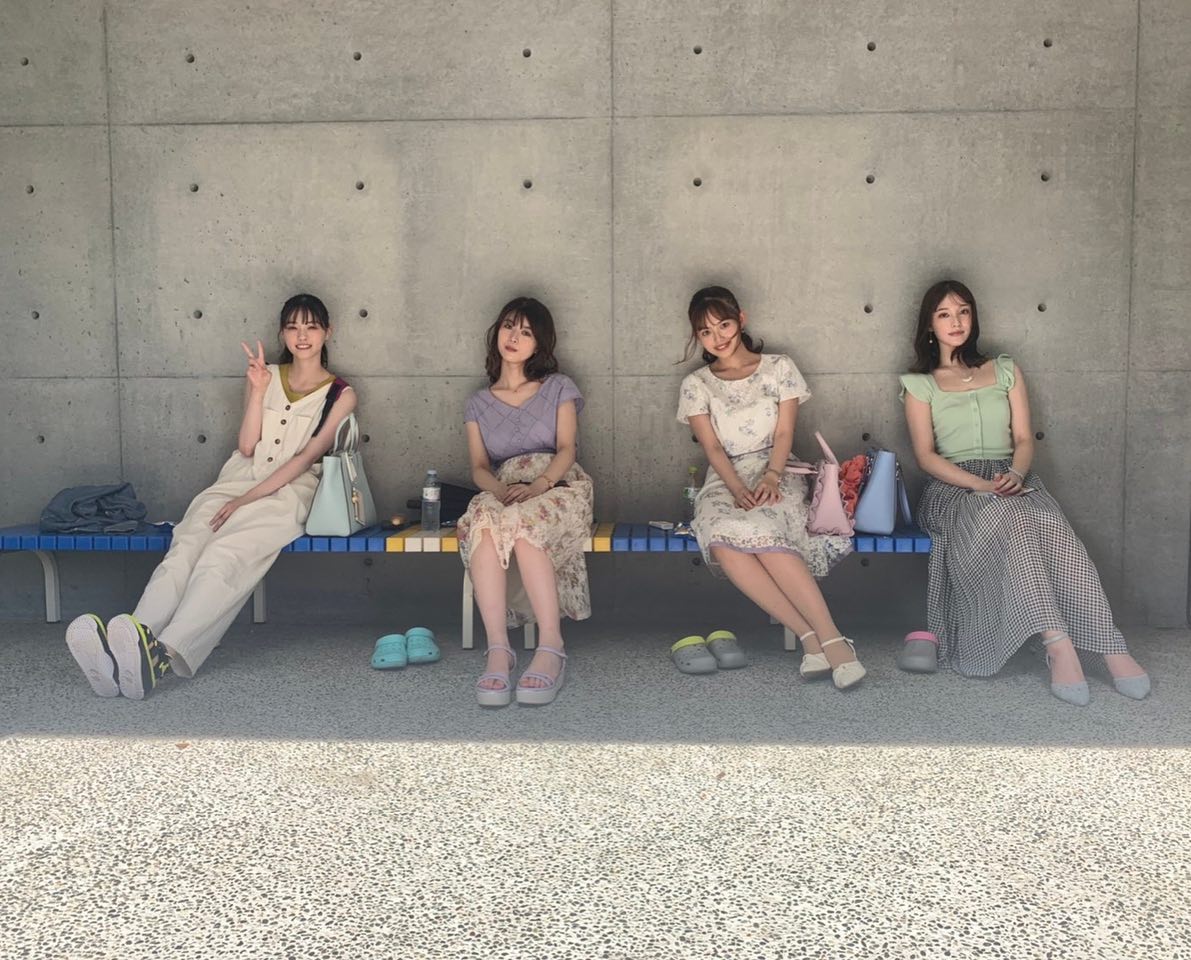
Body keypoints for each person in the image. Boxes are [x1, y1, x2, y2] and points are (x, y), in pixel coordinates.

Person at [65, 293, 357, 698]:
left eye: (311, 326)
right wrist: (259, 391)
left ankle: (162, 655)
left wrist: (245, 501)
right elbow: (247, 445)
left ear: (328, 331)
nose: (302, 336)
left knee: (223, 556)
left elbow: (307, 457)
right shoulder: (266, 374)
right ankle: (132, 641)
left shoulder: (341, 393)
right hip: (238, 478)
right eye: (293, 327)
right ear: (282, 333)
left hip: (290, 491)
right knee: (186, 546)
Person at [899, 279, 1149, 704]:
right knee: (1007, 514)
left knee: (1048, 522)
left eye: (963, 311)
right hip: (954, 489)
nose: (956, 321)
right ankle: (1058, 644)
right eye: (944, 314)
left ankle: (1111, 646)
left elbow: (1023, 439)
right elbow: (925, 456)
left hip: (1011, 476)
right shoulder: (920, 383)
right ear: (930, 325)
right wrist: (980, 485)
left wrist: (1015, 473)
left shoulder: (1005, 369)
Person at [675, 285, 864, 689]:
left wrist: (772, 476)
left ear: (741, 320)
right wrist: (736, 489)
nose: (717, 337)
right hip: (725, 478)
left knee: (764, 528)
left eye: (723, 325)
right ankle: (809, 637)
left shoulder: (779, 367)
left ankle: (834, 641)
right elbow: (712, 448)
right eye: (705, 332)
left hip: (778, 469)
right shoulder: (696, 384)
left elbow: (783, 433)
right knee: (722, 537)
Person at [457, 297, 594, 707]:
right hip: (504, 488)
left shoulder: (558, 387)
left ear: (540, 343)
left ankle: (552, 646)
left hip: (558, 485)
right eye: (508, 327)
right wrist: (500, 492)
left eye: (526, 332)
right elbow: (479, 467)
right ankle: (499, 650)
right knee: (483, 523)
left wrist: (540, 485)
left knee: (525, 525)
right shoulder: (478, 403)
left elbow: (567, 449)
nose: (514, 337)